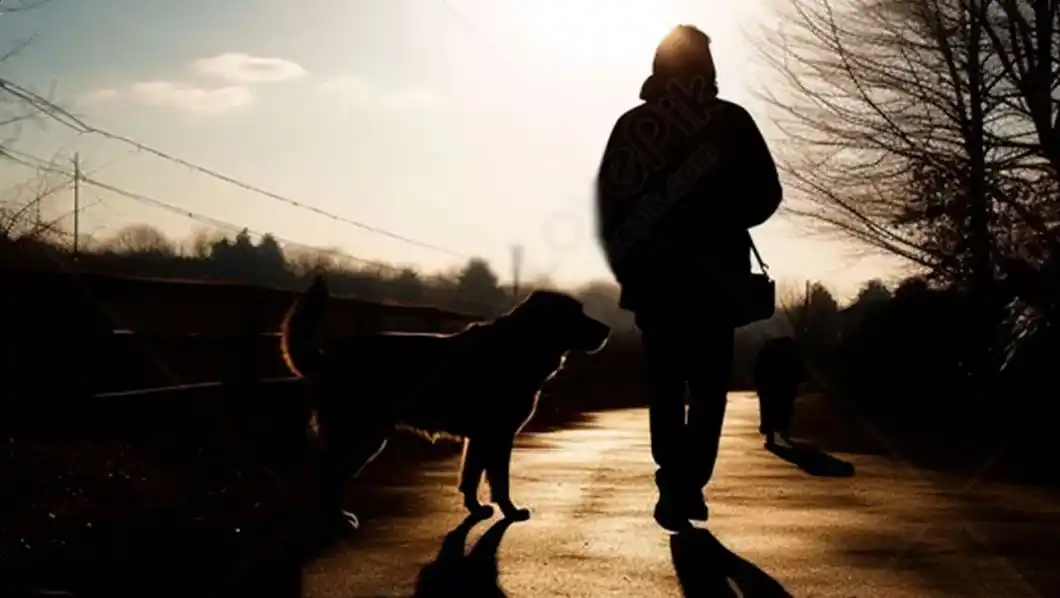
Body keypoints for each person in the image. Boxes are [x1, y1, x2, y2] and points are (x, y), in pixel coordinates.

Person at [595, 24, 783, 531]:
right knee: (706, 391)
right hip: (714, 285)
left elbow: (610, 205)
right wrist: (722, 210)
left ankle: (673, 478)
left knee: (665, 386)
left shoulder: (633, 127)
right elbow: (767, 195)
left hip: (657, 287)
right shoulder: (731, 122)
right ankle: (686, 484)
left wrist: (630, 265)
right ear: (708, 70)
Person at [753, 336, 803, 450]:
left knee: (768, 407)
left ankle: (770, 430)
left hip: (770, 383)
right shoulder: (789, 352)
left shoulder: (767, 352)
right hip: (784, 383)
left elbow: (758, 369)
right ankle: (780, 429)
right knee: (784, 407)